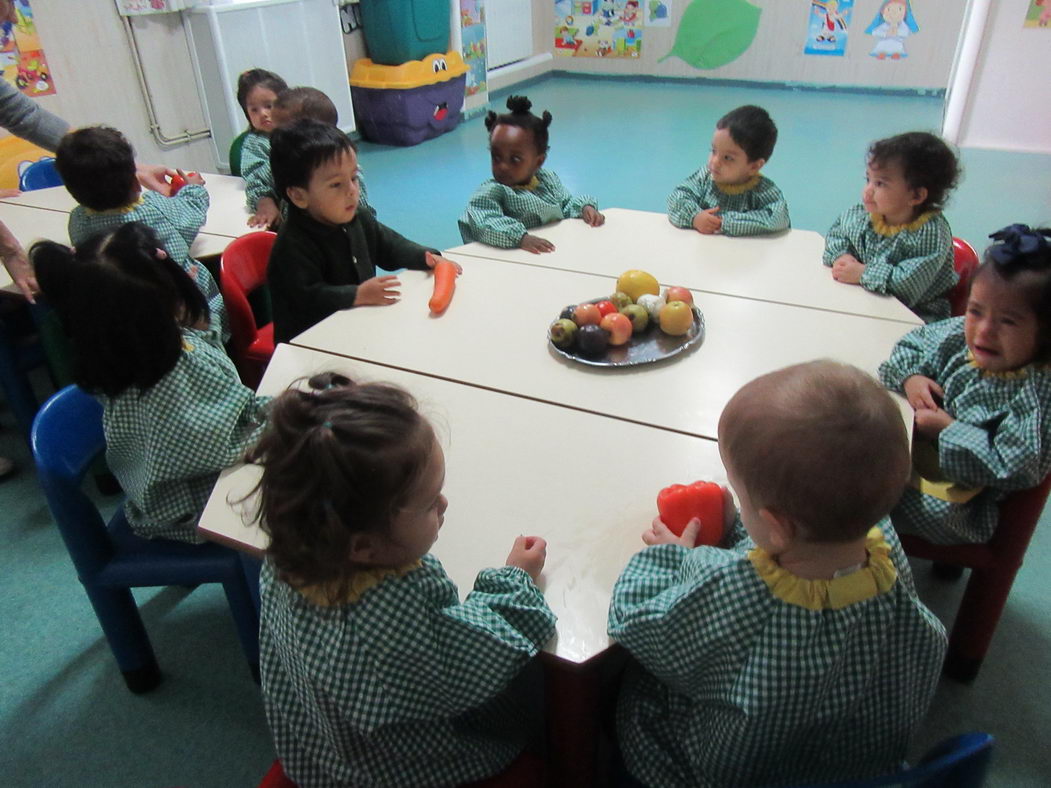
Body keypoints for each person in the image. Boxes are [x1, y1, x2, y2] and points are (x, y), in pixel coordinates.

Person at [608, 360, 946, 787]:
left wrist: (677, 558)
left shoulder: (737, 591)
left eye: (740, 495)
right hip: (856, 766)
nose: (736, 499)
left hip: (734, 768)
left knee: (633, 692)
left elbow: (635, 618)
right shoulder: (886, 551)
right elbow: (789, 556)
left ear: (776, 526)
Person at [251, 373, 556, 787]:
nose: (445, 503)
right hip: (397, 768)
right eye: (431, 502)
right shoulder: (390, 606)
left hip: (322, 744)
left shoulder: (291, 552)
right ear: (363, 546)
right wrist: (515, 579)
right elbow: (473, 662)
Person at [30, 222, 270, 542]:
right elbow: (216, 445)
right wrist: (280, 420)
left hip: (207, 470)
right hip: (190, 508)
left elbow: (219, 394)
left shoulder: (153, 348)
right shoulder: (162, 378)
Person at [880, 224, 1051, 544]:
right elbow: (911, 344)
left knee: (861, 496)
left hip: (956, 501)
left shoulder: (1035, 391)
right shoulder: (960, 333)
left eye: (1008, 321)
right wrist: (911, 376)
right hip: (912, 453)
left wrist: (947, 430)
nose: (984, 330)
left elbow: (1016, 466)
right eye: (976, 311)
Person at [267, 119, 455, 343]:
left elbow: (390, 246)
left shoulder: (358, 218)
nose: (352, 191)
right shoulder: (293, 244)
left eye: (354, 177)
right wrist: (356, 295)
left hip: (356, 326)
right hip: (310, 344)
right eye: (336, 184)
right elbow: (308, 298)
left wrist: (426, 257)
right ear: (299, 196)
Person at [54, 125, 227, 340]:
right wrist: (194, 188)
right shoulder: (152, 207)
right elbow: (191, 215)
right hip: (185, 309)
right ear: (136, 183)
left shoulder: (78, 219)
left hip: (122, 312)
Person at [824, 131, 960, 323]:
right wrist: (842, 255)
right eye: (868, 180)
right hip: (866, 301)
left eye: (880, 183)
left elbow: (908, 287)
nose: (868, 190)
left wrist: (863, 274)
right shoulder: (865, 214)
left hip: (913, 316)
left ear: (916, 196)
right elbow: (837, 233)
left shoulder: (930, 233)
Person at [458, 94, 604, 253]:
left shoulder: (547, 180)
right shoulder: (493, 192)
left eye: (515, 159)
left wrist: (584, 208)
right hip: (508, 261)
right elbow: (484, 222)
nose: (503, 167)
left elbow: (566, 204)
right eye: (497, 157)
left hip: (550, 254)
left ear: (538, 161)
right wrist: (521, 238)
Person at [666, 104, 790, 237]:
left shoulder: (763, 191)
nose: (714, 162)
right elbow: (677, 197)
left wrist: (726, 222)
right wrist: (694, 217)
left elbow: (778, 217)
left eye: (727, 158)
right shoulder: (705, 178)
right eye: (713, 151)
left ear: (754, 166)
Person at [269, 85, 373, 216]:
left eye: (281, 131)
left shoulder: (345, 174)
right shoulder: (286, 162)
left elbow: (361, 216)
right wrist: (265, 199)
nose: (273, 137)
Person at [236, 67, 288, 229]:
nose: (263, 114)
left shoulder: (303, 132)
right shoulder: (254, 143)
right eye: (254, 110)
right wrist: (264, 202)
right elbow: (255, 181)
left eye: (269, 106)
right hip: (284, 215)